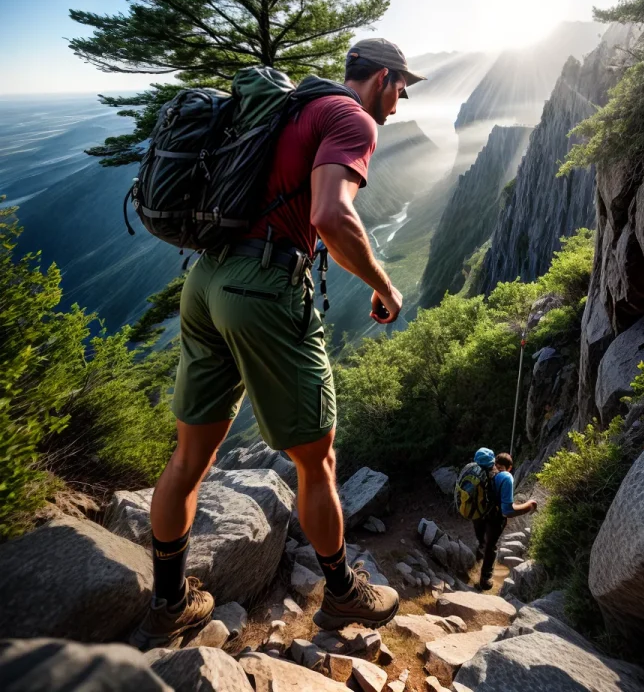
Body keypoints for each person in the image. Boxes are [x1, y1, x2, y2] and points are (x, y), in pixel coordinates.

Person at [130, 39, 426, 649]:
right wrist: (385, 287)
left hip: (206, 281)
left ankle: (169, 602)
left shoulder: (290, 107)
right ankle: (344, 595)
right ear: (382, 79)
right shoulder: (350, 117)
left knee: (189, 458)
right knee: (316, 461)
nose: (403, 99)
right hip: (263, 288)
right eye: (403, 86)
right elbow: (329, 215)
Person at [472, 448, 537, 591]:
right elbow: (507, 510)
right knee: (491, 546)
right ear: (492, 462)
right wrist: (529, 506)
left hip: (477, 514)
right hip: (495, 518)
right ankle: (485, 580)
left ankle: (474, 568)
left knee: (481, 541)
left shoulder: (474, 474)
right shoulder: (505, 478)